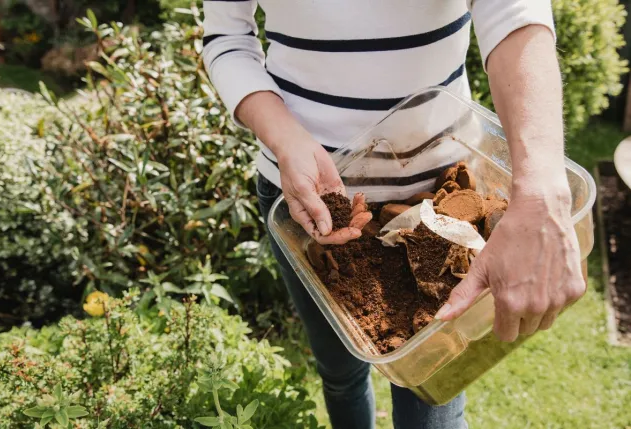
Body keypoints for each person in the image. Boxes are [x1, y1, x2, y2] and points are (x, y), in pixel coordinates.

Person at [202, 1, 586, 428]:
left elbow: (513, 11)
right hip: (310, 204)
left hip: (443, 201)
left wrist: (540, 195)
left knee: (432, 397)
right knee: (341, 373)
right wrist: (286, 138)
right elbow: (227, 37)